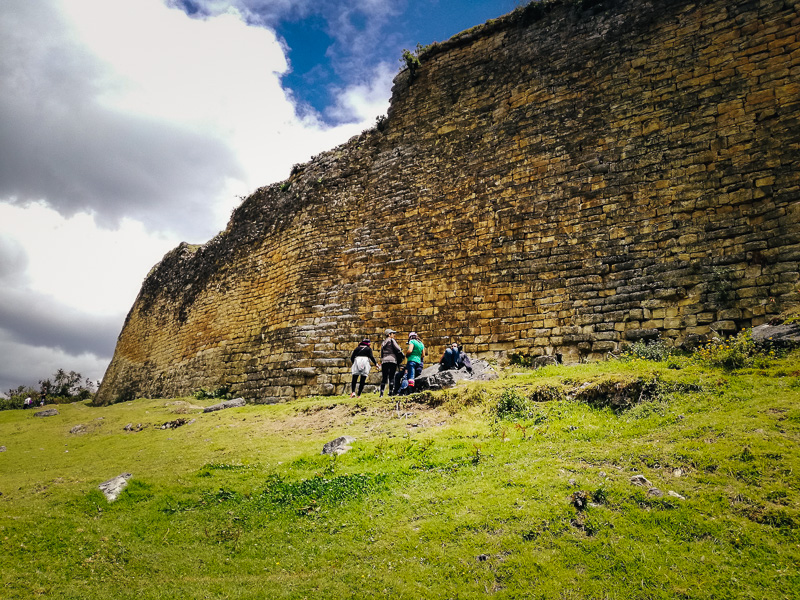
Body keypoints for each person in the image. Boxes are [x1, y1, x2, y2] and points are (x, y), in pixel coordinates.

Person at [379, 329, 404, 397]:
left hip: (384, 361)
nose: (394, 335)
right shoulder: (392, 340)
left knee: (384, 377)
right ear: (389, 334)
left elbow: (381, 353)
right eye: (393, 333)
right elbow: (398, 349)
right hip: (392, 360)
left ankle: (381, 393)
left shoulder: (383, 342)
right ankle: (390, 392)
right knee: (391, 377)